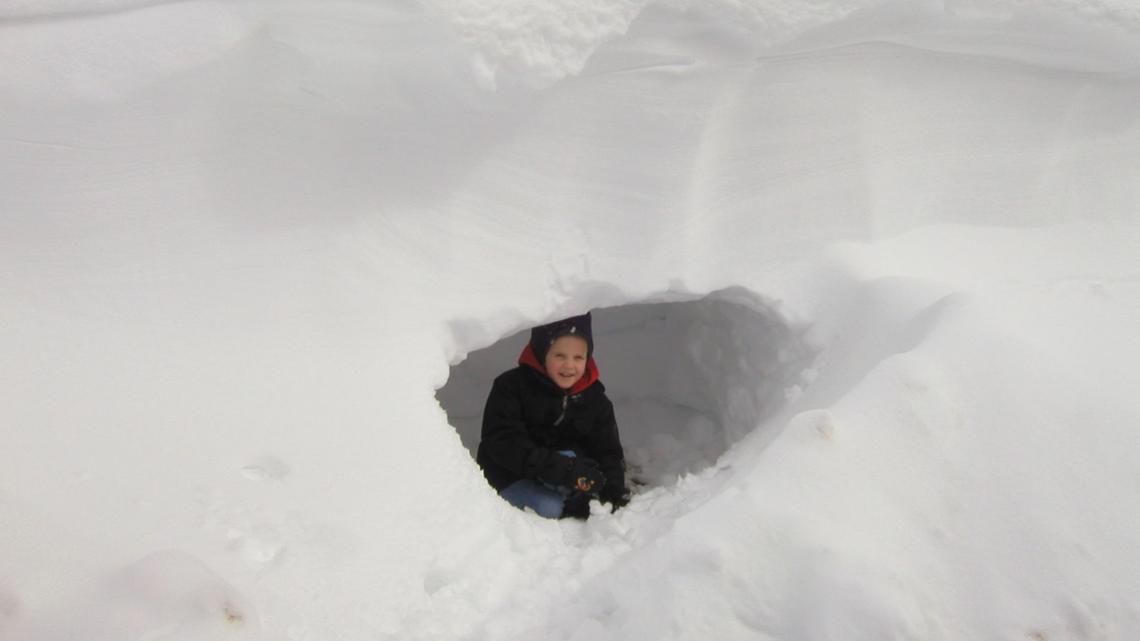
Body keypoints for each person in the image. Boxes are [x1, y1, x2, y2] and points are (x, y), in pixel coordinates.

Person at [476, 312, 630, 519]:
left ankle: (577, 499)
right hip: (510, 474)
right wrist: (559, 468)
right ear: (542, 353)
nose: (569, 365)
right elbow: (503, 442)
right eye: (559, 356)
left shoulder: (594, 398)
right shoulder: (512, 387)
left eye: (578, 357)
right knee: (549, 507)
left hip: (565, 473)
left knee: (590, 485)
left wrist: (613, 489)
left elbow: (608, 450)